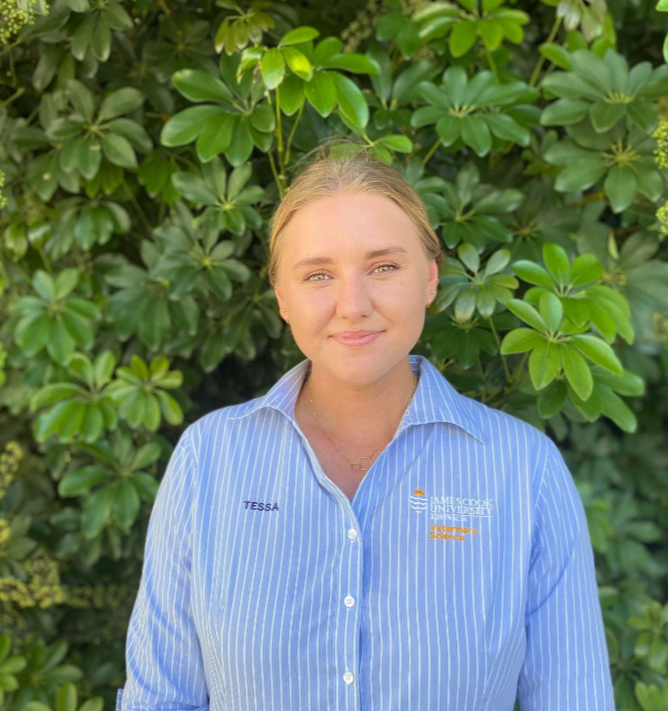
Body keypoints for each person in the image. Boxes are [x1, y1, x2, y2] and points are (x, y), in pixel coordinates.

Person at [118, 149, 613, 710]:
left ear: (429, 279)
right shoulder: (209, 459)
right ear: (282, 297)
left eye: (383, 267)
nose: (352, 305)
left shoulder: (525, 471)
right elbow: (159, 699)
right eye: (318, 275)